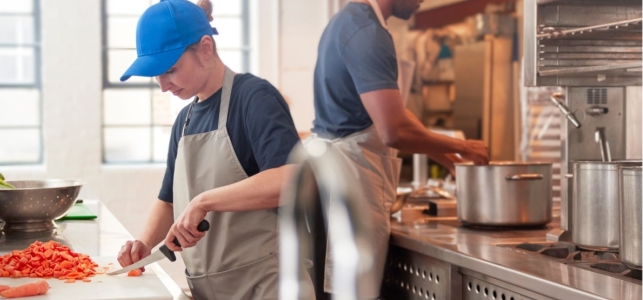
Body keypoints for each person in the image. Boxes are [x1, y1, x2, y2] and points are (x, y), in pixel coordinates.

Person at [116, 0, 314, 299]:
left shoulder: (254, 98)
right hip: (209, 290)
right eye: (156, 75)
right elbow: (169, 201)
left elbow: (292, 180)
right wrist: (143, 244)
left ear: (206, 48)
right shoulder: (184, 121)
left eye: (170, 69)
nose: (163, 86)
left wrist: (204, 201)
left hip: (267, 286)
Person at [310, 0, 490, 299]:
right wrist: (463, 146)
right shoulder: (367, 32)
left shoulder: (348, 22)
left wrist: (450, 160)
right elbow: (393, 130)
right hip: (351, 179)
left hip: (342, 174)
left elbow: (398, 113)